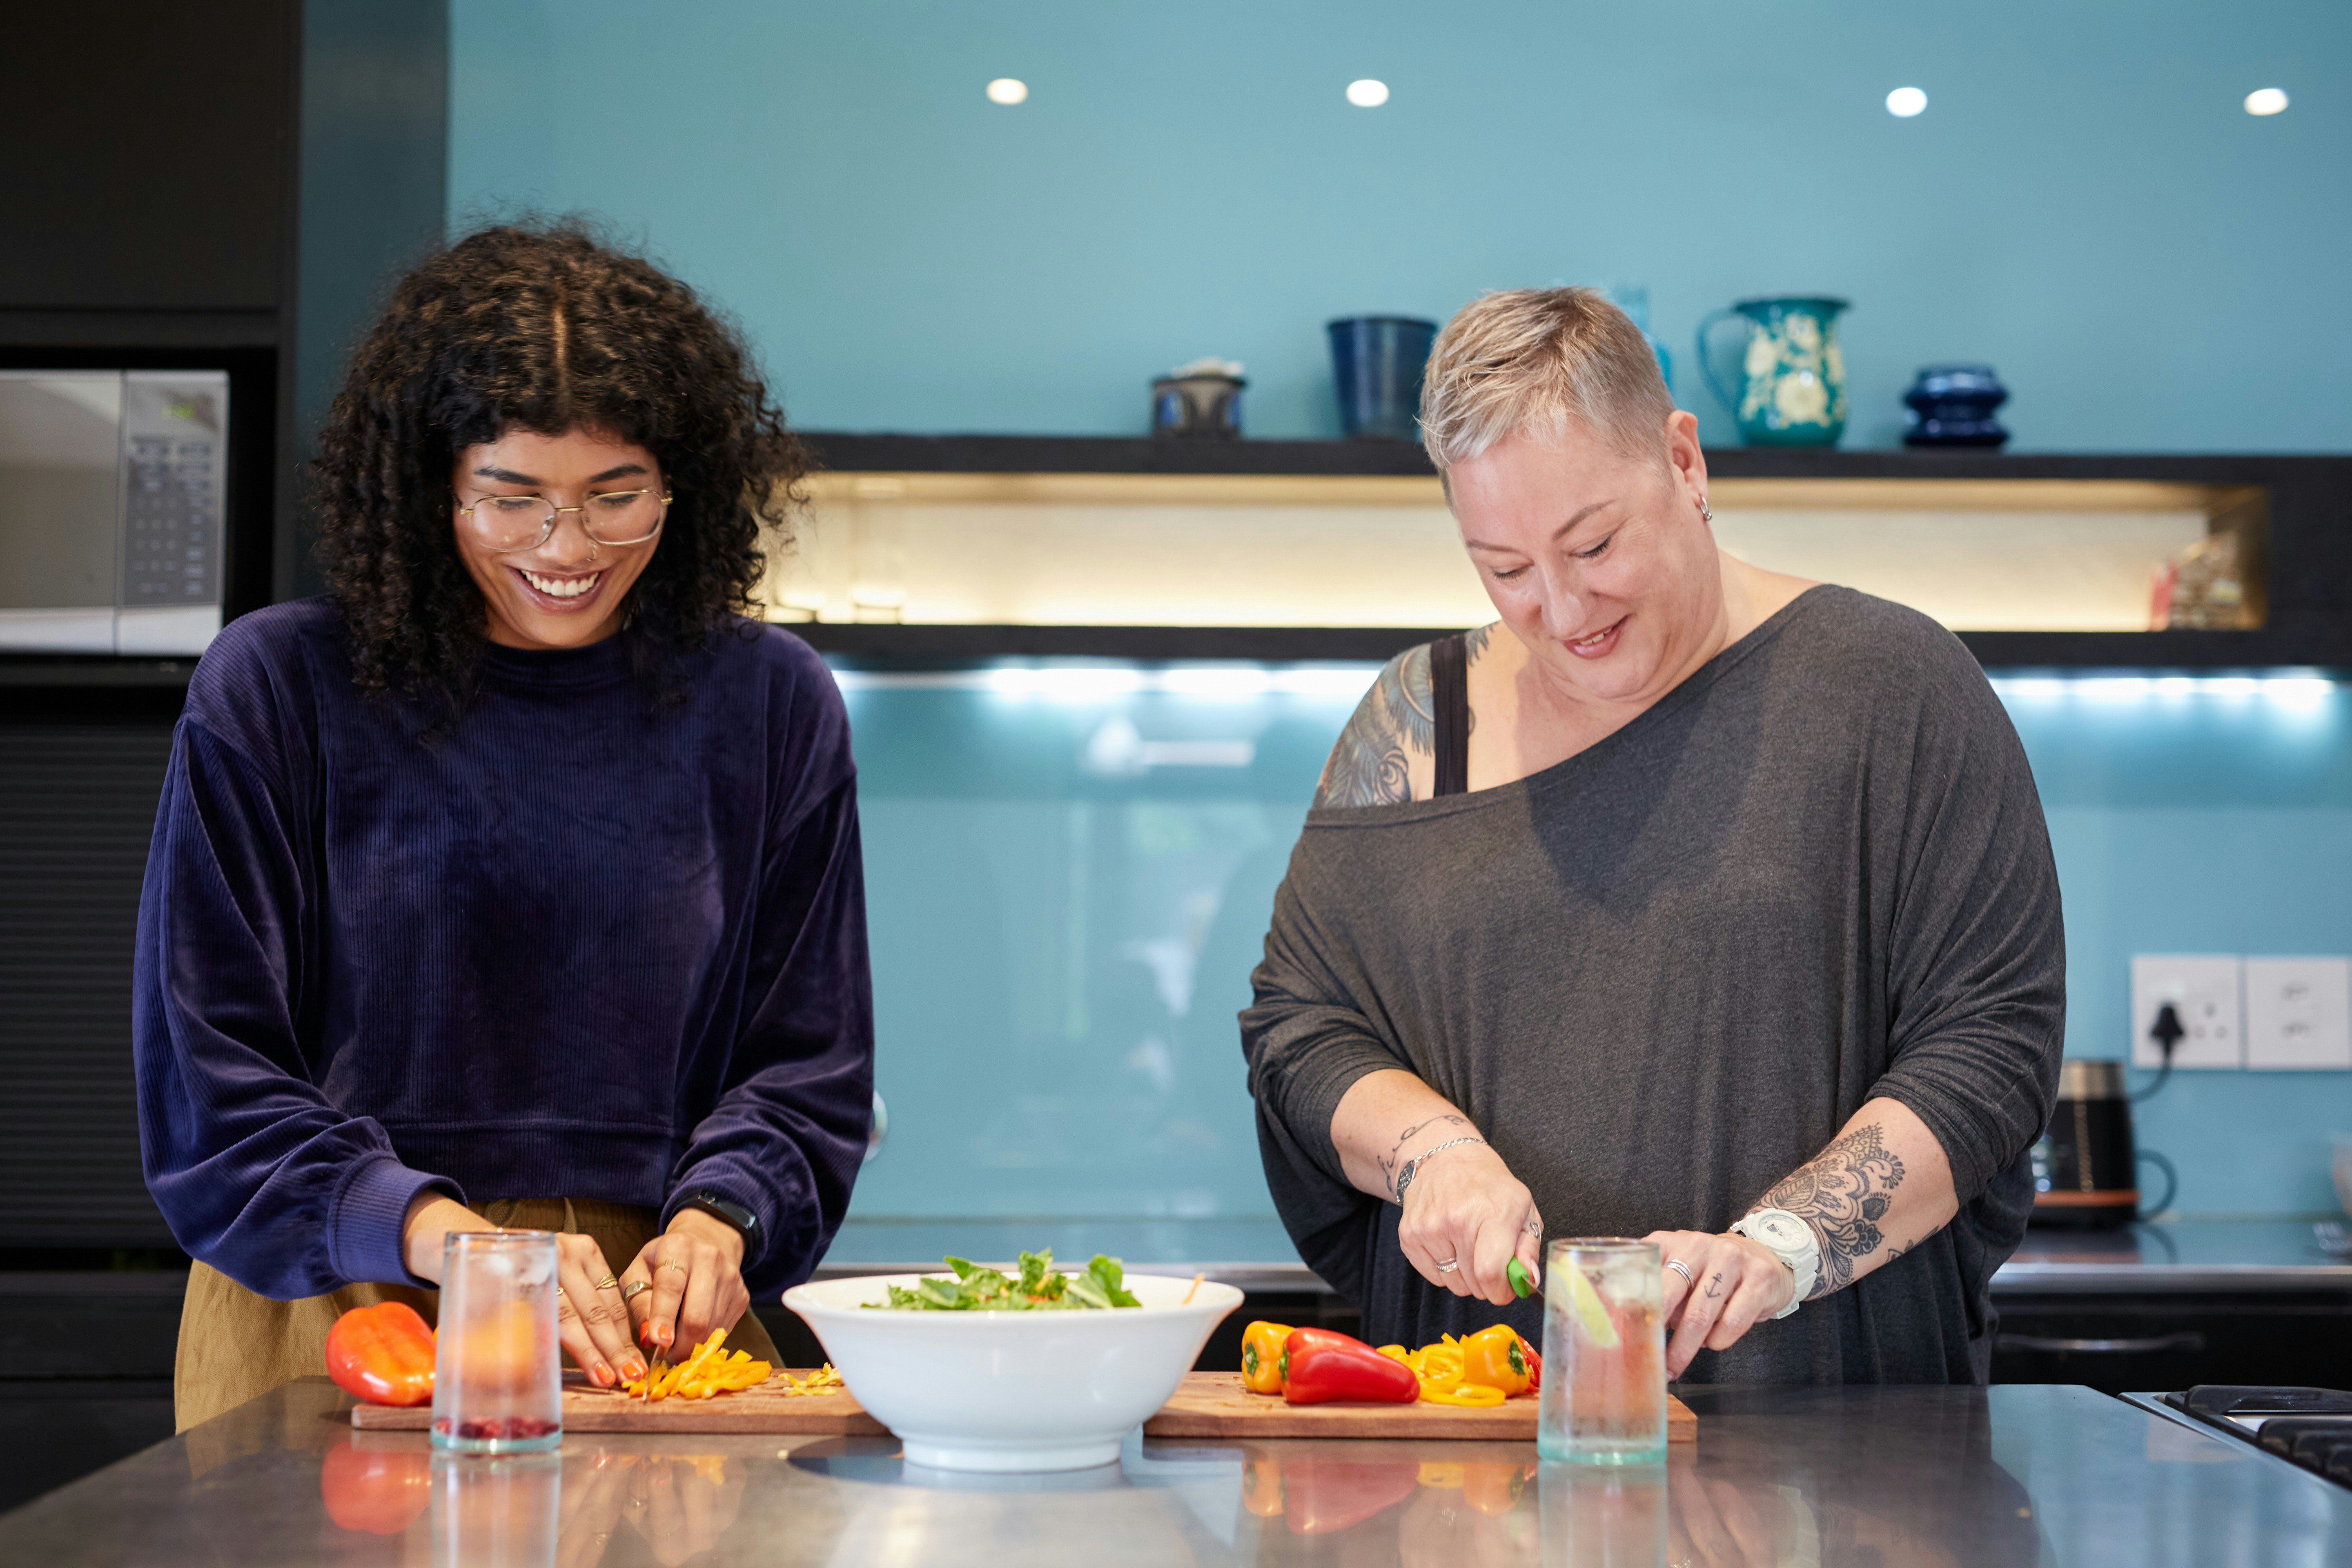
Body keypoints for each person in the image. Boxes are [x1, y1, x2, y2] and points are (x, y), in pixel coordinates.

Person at [1243, 287, 2063, 1382]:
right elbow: (1302, 1029)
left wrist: (1774, 1254)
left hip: (1824, 1419)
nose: (1563, 610)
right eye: (1505, 569)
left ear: (1684, 462)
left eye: (1593, 545)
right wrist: (1430, 1153)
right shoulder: (1415, 719)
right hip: (1472, 1433)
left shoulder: (1893, 690)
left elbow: (1991, 1044)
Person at [134, 221, 874, 1429]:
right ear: (433, 489)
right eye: (512, 498)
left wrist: (720, 1216)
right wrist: (442, 1236)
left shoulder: (770, 704)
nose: (567, 549)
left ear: (682, 485)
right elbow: (208, 1084)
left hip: (650, 1327)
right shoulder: (277, 688)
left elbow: (809, 1069)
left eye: (615, 496)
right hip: (337, 1304)